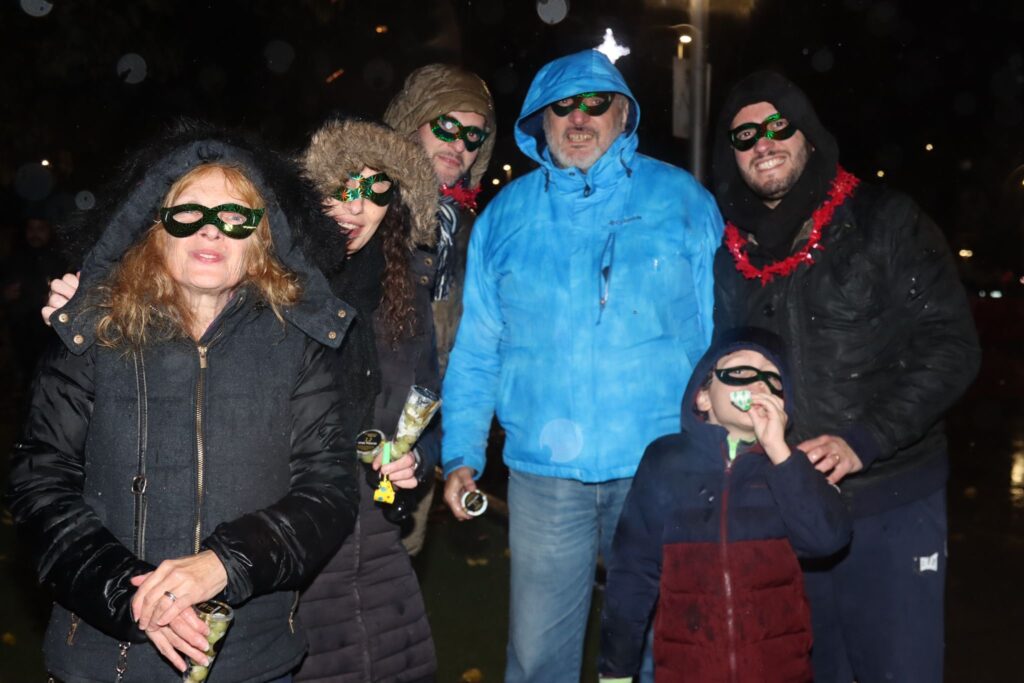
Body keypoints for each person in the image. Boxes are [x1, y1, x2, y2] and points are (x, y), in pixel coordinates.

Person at [6, 125, 361, 682]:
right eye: (188, 213)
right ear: (156, 232)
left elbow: (329, 490)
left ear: (261, 239)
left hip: (253, 659)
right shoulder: (93, 334)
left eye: (234, 216)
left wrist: (224, 564)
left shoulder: (296, 346)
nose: (210, 229)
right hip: (106, 658)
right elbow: (40, 484)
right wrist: (132, 593)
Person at [440, 49, 723, 682]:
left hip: (661, 466)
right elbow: (478, 349)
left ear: (623, 114)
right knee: (538, 655)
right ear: (539, 123)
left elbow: (717, 337)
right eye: (561, 107)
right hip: (545, 477)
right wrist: (461, 454)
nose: (578, 119)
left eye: (596, 104)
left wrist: (723, 445)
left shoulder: (681, 199)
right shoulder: (505, 217)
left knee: (663, 645)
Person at [710, 71, 981, 682]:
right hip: (788, 511)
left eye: (779, 126)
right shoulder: (731, 253)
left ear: (809, 135)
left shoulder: (885, 221)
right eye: (745, 135)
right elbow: (726, 366)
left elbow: (952, 346)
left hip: (891, 500)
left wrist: (865, 440)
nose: (763, 142)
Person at [599, 328, 851, 682]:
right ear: (703, 396)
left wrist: (780, 452)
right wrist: (616, 671)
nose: (759, 383)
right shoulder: (665, 462)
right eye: (741, 371)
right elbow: (632, 572)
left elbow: (828, 539)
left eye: (773, 379)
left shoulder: (790, 469)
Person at [293, 117, 441, 682]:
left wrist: (416, 458)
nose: (356, 207)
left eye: (375, 189)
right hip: (298, 551)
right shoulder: (275, 284)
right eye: (342, 186)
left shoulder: (405, 291)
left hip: (379, 544)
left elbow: (428, 408)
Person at [383, 63, 496, 555]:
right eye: (447, 126)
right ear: (412, 121)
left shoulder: (468, 234)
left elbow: (467, 351)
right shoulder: (364, 203)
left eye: (473, 135)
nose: (459, 145)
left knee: (395, 574)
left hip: (415, 441)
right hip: (342, 441)